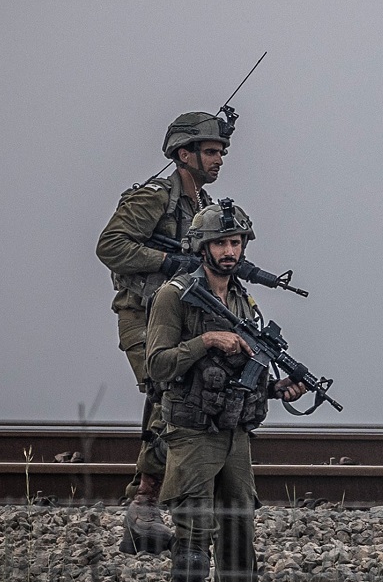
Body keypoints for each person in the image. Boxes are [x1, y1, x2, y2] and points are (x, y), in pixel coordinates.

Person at [96, 110, 234, 554]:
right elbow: (110, 245)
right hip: (141, 313)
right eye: (211, 151)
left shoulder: (202, 207)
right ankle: (145, 505)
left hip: (176, 316)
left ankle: (144, 507)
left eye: (220, 152)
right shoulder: (155, 197)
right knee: (169, 394)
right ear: (184, 153)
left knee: (173, 399)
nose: (218, 160)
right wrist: (167, 262)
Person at [147, 201, 306, 582]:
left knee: (239, 537)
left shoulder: (242, 300)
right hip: (193, 435)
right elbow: (157, 365)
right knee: (194, 542)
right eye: (221, 244)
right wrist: (206, 340)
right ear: (203, 247)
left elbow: (232, 373)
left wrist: (273, 388)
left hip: (235, 435)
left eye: (235, 242)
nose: (230, 252)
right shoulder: (175, 295)